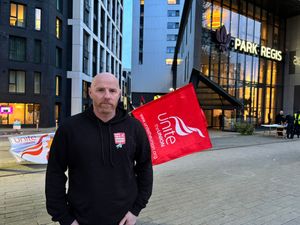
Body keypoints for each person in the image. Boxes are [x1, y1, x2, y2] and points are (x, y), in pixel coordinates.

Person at [45, 73, 153, 225]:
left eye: (112, 91)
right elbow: (55, 173)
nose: (107, 96)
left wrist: (136, 210)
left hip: (125, 220)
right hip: (80, 218)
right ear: (90, 92)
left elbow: (145, 167)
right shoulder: (69, 129)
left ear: (119, 94)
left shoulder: (134, 127)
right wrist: (64, 218)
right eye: (100, 90)